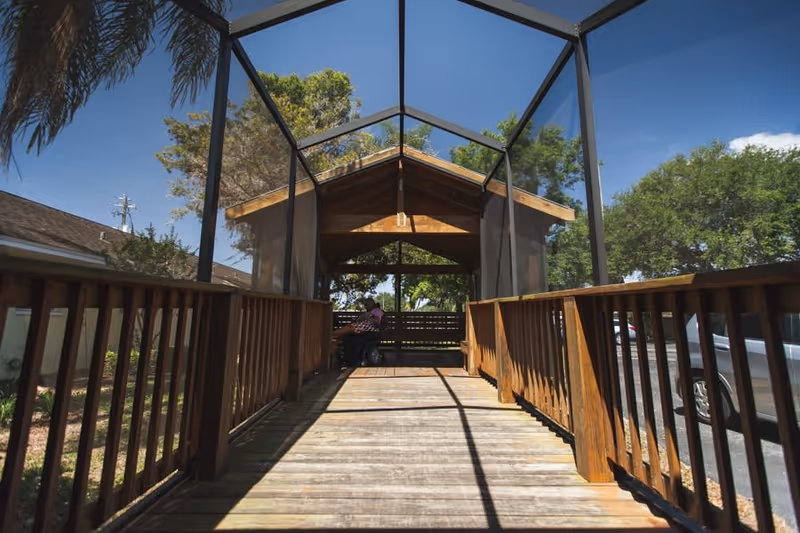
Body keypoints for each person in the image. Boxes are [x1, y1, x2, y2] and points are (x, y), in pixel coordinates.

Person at [332, 298, 384, 366]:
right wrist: (361, 317)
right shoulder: (369, 312)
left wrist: (366, 317)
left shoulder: (377, 311)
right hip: (362, 326)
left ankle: (331, 335)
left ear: (372, 303)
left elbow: (376, 321)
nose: (366, 306)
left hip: (369, 327)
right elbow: (359, 320)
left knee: (350, 328)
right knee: (348, 328)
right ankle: (334, 338)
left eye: (367, 304)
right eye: (365, 304)